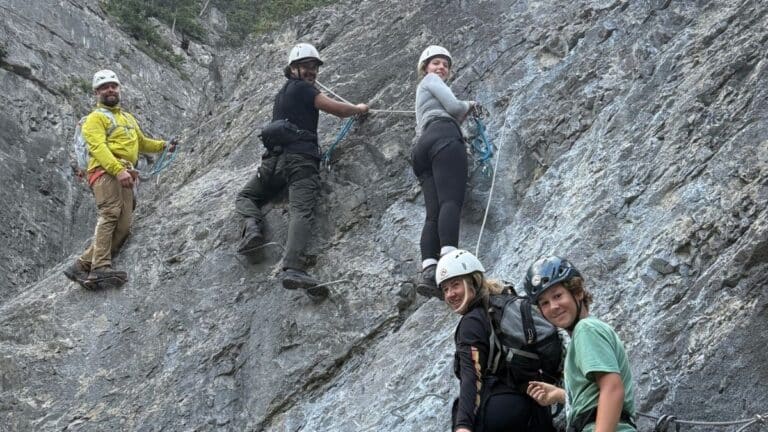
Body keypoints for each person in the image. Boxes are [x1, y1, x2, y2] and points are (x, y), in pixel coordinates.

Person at [235, 43, 368, 295]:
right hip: (300, 162)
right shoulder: (304, 89)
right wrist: (359, 109)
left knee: (245, 196)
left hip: (272, 165)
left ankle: (252, 227)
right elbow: (338, 110)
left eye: (314, 67)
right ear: (293, 68)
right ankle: (292, 267)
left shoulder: (281, 94)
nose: (312, 71)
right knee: (301, 210)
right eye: (306, 66)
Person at [63, 69, 177, 288]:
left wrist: (164, 145)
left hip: (124, 174)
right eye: (104, 87)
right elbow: (98, 147)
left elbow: (142, 143)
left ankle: (80, 266)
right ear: (96, 92)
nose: (110, 90)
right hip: (105, 172)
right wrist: (117, 170)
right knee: (110, 214)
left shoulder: (127, 118)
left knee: (123, 227)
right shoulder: (95, 119)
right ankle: (100, 267)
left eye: (113, 86)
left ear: (119, 89)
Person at [438, 250, 557, 432]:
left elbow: (471, 375)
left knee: (460, 407)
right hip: (538, 409)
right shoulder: (501, 303)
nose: (450, 294)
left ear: (473, 282)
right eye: (445, 289)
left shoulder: (472, 322)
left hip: (503, 411)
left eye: (455, 285)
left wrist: (463, 425)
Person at [524, 256, 636, 432]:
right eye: (544, 303)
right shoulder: (585, 334)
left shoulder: (586, 329)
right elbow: (593, 400)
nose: (553, 306)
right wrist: (559, 394)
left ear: (577, 292)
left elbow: (612, 389)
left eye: (558, 296)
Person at [412, 45, 477, 299]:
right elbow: (455, 108)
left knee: (433, 212)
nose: (441, 68)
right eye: (436, 62)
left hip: (422, 149)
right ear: (425, 67)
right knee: (450, 201)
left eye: (445, 65)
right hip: (443, 137)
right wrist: (471, 104)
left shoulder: (422, 95)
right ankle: (449, 261)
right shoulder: (430, 81)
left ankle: (429, 269)